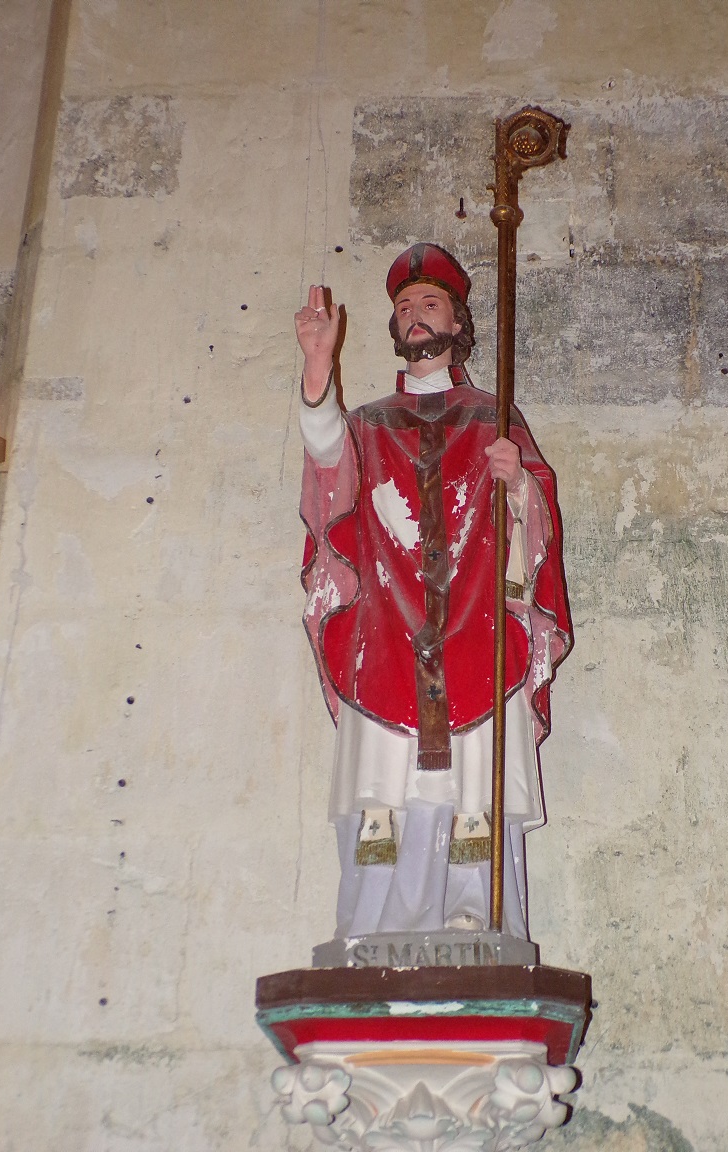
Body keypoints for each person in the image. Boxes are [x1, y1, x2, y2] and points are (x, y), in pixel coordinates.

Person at [295, 243, 571, 939]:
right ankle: (372, 928)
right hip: (386, 637)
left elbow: (534, 530)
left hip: (476, 635)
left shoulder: (492, 419)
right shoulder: (368, 424)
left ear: (457, 320)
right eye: (403, 308)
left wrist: (517, 484)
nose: (414, 317)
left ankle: (473, 922)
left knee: (474, 788)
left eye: (429, 304)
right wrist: (318, 369)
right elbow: (328, 463)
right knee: (380, 790)